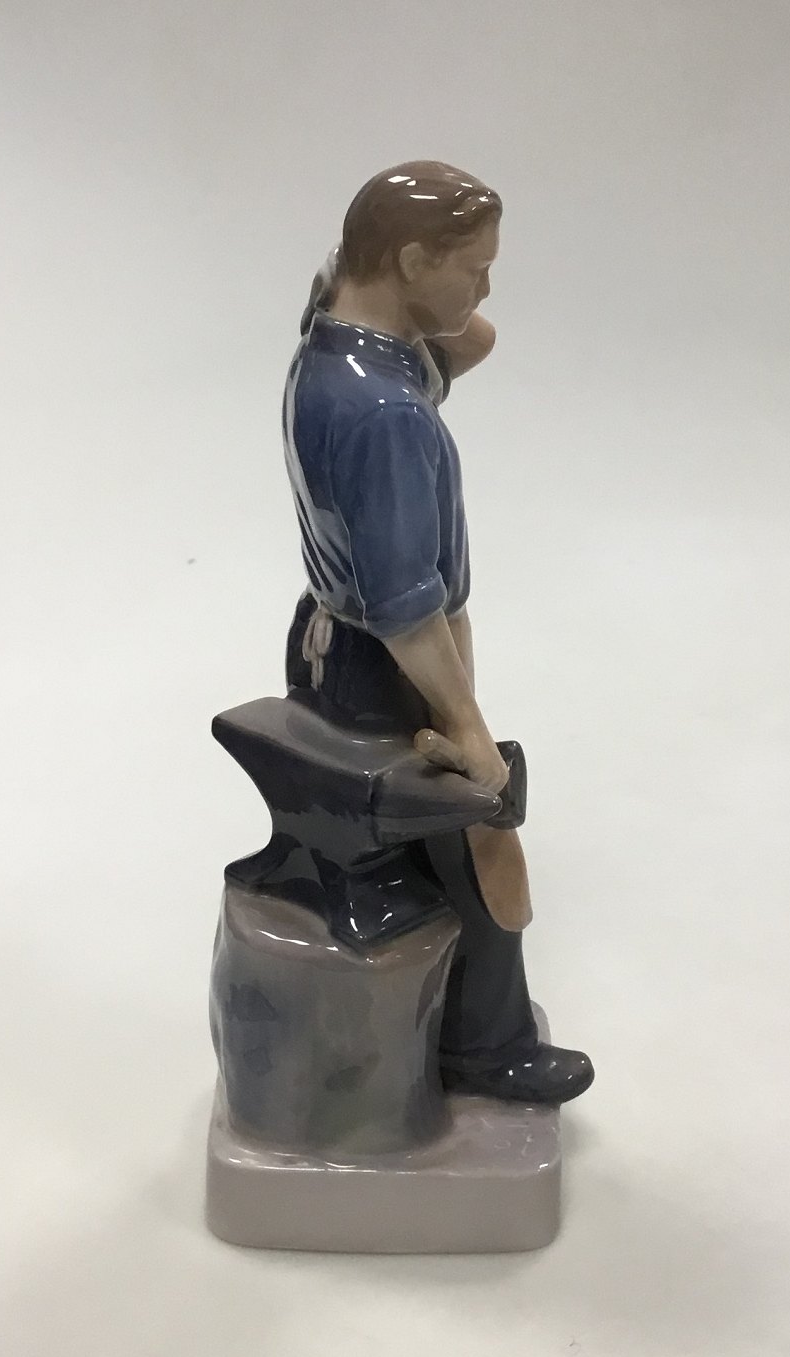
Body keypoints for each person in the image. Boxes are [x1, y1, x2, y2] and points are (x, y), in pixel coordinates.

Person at [281, 160, 594, 1105]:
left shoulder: (342, 348)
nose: (486, 292)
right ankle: (487, 1050)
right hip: (391, 668)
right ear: (414, 261)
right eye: (476, 269)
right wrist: (466, 727)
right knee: (487, 845)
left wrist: (394, 285)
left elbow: (476, 340)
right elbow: (407, 607)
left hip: (331, 644)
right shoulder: (385, 414)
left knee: (455, 842)